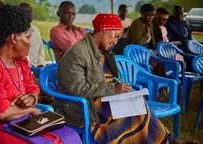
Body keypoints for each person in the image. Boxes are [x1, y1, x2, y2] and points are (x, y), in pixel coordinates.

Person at [0, 5, 81, 144]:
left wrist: (32, 98)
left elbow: (31, 86)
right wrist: (31, 110)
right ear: (13, 38)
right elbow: (1, 113)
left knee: (70, 136)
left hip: (18, 118)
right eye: (27, 37)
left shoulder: (20, 61)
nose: (30, 44)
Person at [58, 13, 181, 144]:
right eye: (116, 36)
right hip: (87, 107)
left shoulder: (105, 51)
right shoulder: (77, 54)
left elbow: (113, 78)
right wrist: (114, 88)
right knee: (133, 116)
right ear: (104, 30)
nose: (116, 41)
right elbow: (77, 89)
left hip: (106, 98)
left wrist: (122, 87)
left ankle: (167, 140)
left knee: (141, 106)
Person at [18, 3, 46, 67]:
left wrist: (40, 65)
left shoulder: (35, 30)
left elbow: (40, 51)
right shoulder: (14, 32)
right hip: (21, 68)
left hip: (35, 67)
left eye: (30, 12)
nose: (30, 14)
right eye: (26, 12)